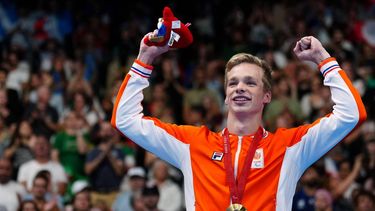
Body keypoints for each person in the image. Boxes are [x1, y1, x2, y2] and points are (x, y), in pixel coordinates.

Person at [111, 30, 367, 210]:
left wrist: (323, 59)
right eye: (232, 83)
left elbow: (351, 114)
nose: (239, 88)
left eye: (250, 82)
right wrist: (145, 58)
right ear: (225, 96)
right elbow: (124, 119)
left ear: (267, 96)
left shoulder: (290, 147)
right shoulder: (192, 144)